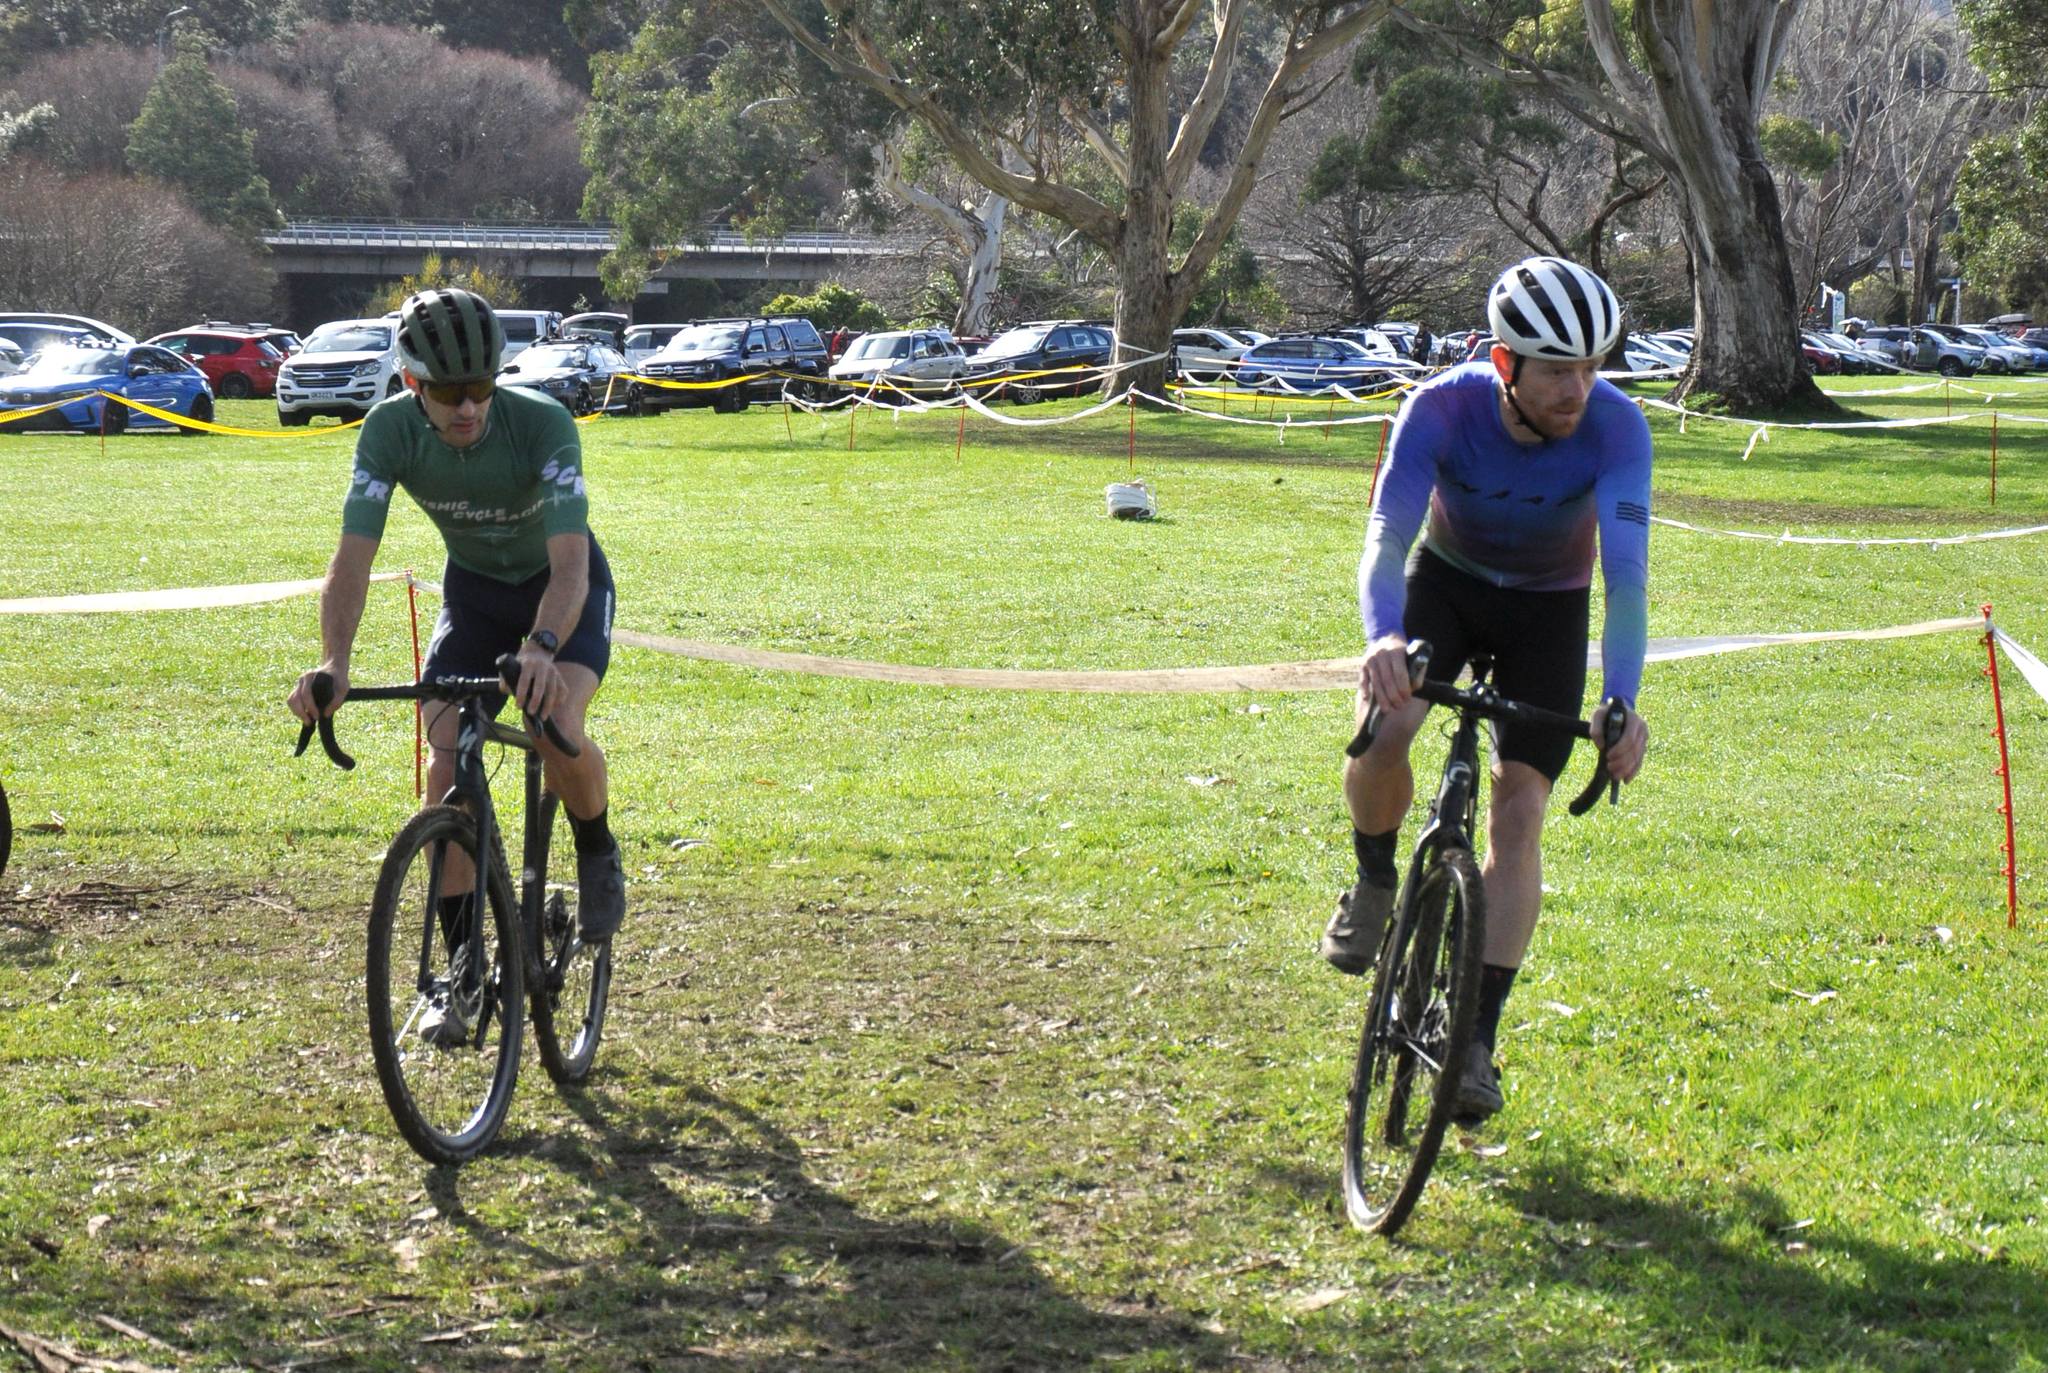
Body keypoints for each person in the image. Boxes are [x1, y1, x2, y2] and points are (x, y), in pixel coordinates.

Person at [1321, 256, 1651, 1122]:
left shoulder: (1618, 429)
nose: (1578, 386)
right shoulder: (1441, 406)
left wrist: (1621, 695)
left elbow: (1627, 576)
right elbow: (1387, 537)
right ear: (1506, 363)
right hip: (1448, 587)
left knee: (1520, 811)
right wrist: (1384, 638)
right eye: (1557, 368)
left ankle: (1475, 1036)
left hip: (1551, 606)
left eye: (1591, 365)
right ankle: (1375, 879)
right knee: (1385, 730)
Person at [288, 287, 626, 1046]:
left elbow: (570, 564)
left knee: (556, 721)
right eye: (448, 392)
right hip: (474, 595)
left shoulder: (542, 424)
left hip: (558, 589)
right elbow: (350, 561)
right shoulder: (387, 435)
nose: (468, 408)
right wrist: (334, 663)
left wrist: (542, 646)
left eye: (481, 388)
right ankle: (464, 969)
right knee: (446, 756)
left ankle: (597, 844)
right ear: (412, 384)